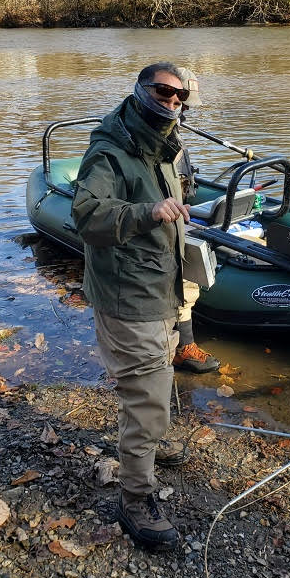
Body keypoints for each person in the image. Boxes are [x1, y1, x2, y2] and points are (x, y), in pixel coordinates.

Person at [72, 62, 190, 551]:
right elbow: (87, 215)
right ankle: (135, 498)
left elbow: (170, 196)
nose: (172, 103)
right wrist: (148, 211)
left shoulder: (163, 147)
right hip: (129, 294)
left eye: (180, 97)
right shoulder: (109, 151)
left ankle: (150, 442)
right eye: (163, 92)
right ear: (141, 91)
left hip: (161, 287)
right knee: (145, 397)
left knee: (157, 379)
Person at [172, 67, 220, 374]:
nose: (183, 112)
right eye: (180, 105)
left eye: (185, 106)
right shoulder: (140, 137)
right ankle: (182, 347)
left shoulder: (172, 136)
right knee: (184, 280)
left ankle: (180, 344)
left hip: (178, 212)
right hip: (157, 221)